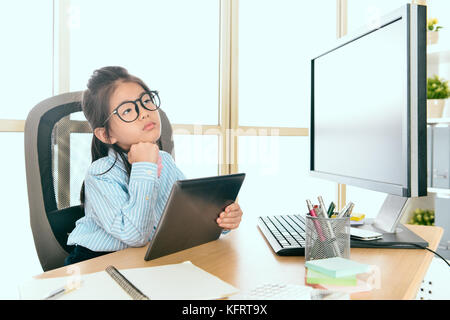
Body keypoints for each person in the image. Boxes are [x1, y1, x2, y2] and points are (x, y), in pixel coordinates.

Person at [65, 66, 243, 265]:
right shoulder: (100, 174)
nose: (144, 113)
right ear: (106, 134)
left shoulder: (164, 160)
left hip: (146, 257)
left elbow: (187, 212)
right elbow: (135, 235)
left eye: (146, 101)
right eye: (127, 110)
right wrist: (144, 167)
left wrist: (221, 219)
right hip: (99, 262)